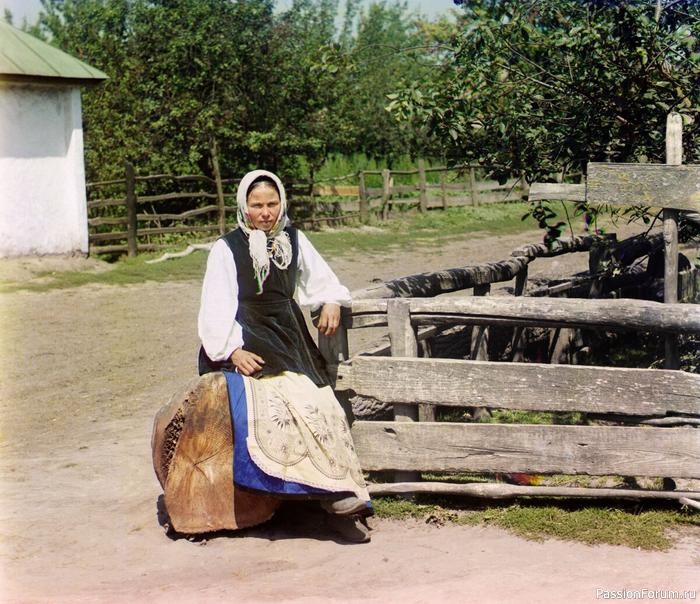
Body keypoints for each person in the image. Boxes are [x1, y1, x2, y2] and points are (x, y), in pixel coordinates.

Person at [197, 169, 372, 543]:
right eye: (256, 205)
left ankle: (339, 493)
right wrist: (232, 350)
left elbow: (321, 279)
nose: (265, 212)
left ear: (282, 204)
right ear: (243, 205)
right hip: (247, 335)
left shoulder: (294, 239)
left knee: (320, 402)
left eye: (272, 204)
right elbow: (215, 308)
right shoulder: (226, 248)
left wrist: (330, 301)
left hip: (288, 335)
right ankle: (309, 494)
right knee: (279, 405)